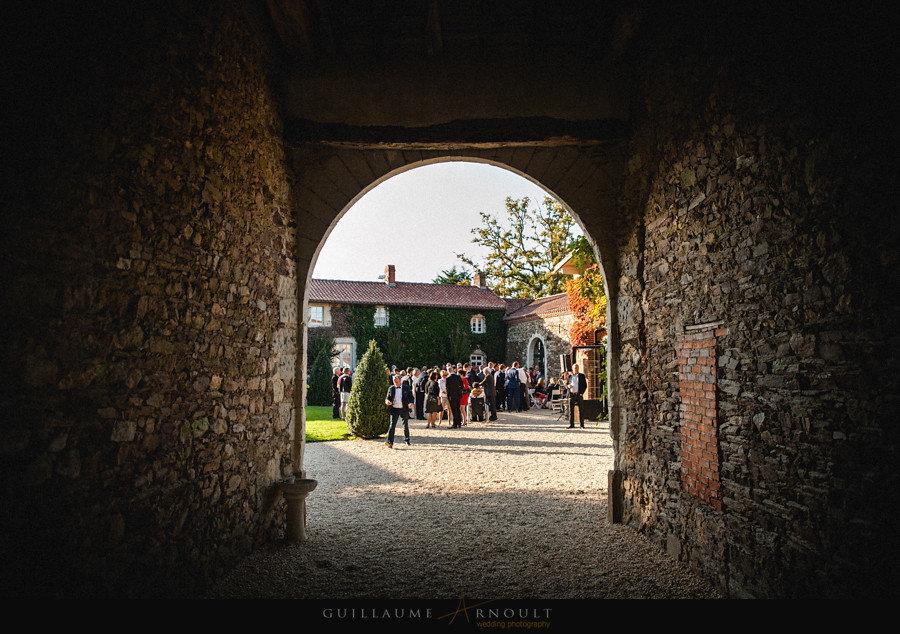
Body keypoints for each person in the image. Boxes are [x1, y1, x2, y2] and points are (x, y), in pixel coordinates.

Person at [384, 374, 414, 448]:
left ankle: (407, 440)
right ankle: (390, 441)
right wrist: (387, 402)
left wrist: (411, 403)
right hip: (394, 409)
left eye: (397, 382)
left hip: (404, 408)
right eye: (394, 382)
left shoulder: (406, 388)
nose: (395, 383)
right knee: (392, 425)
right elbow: (387, 398)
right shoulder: (391, 388)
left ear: (400, 380)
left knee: (405, 425)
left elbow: (411, 397)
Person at [568, 363, 588, 428]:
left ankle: (582, 425)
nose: (575, 369)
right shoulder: (570, 376)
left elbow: (585, 385)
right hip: (572, 395)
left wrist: (582, 393)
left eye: (576, 368)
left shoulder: (581, 376)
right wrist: (568, 386)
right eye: (574, 368)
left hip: (579, 394)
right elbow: (567, 384)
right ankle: (571, 424)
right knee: (571, 410)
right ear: (572, 369)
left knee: (581, 410)